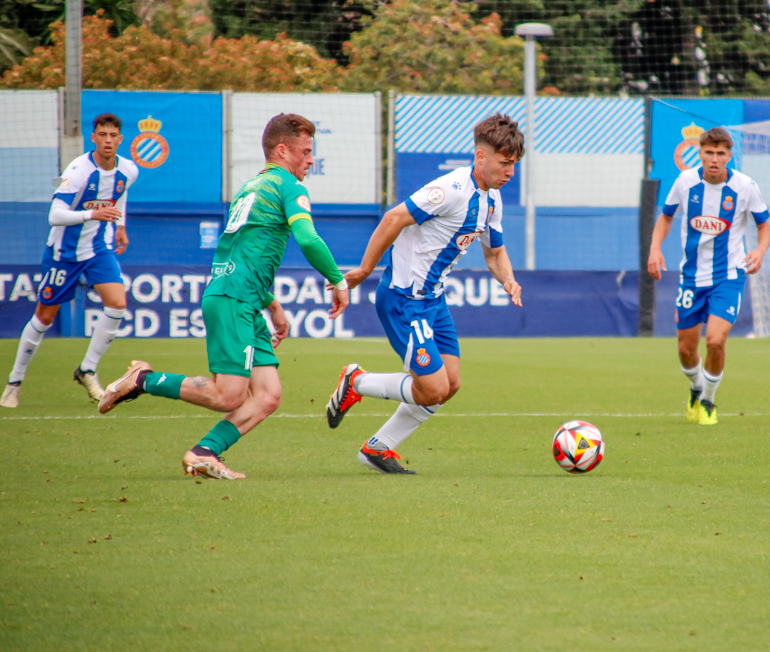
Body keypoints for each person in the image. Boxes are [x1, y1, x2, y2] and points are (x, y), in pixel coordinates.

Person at [97, 114, 349, 480]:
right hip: (235, 299)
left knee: (267, 395)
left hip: (241, 297)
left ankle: (203, 453)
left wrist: (273, 305)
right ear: (282, 150)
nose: (311, 160)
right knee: (228, 396)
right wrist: (338, 280)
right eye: (306, 152)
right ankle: (143, 379)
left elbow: (243, 256)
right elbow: (308, 239)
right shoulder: (289, 186)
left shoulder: (252, 188)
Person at [324, 112, 524, 474]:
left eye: (514, 164)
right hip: (404, 300)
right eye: (505, 162)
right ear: (481, 157)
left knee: (450, 385)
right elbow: (392, 219)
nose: (510, 171)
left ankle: (378, 448)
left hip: (434, 302)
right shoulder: (449, 190)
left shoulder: (492, 200)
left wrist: (507, 279)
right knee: (432, 389)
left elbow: (494, 254)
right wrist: (365, 271)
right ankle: (356, 381)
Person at [2, 113, 138, 409]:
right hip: (63, 254)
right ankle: (14, 381)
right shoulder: (78, 170)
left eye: (113, 135)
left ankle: (87, 370)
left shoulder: (128, 169)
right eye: (102, 135)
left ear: (120, 139)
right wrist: (93, 214)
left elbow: (120, 195)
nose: (108, 141)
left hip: (98, 249)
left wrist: (121, 226)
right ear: (94, 138)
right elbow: (54, 215)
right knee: (45, 318)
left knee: (117, 303)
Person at [647, 126, 770, 425]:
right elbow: (666, 217)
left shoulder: (745, 187)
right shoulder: (685, 182)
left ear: (729, 156)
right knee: (686, 348)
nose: (714, 159)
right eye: (709, 152)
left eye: (720, 153)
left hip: (728, 276)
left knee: (715, 341)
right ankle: (695, 388)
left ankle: (709, 401)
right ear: (700, 153)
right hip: (691, 278)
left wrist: (760, 251)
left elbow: (764, 225)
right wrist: (655, 248)